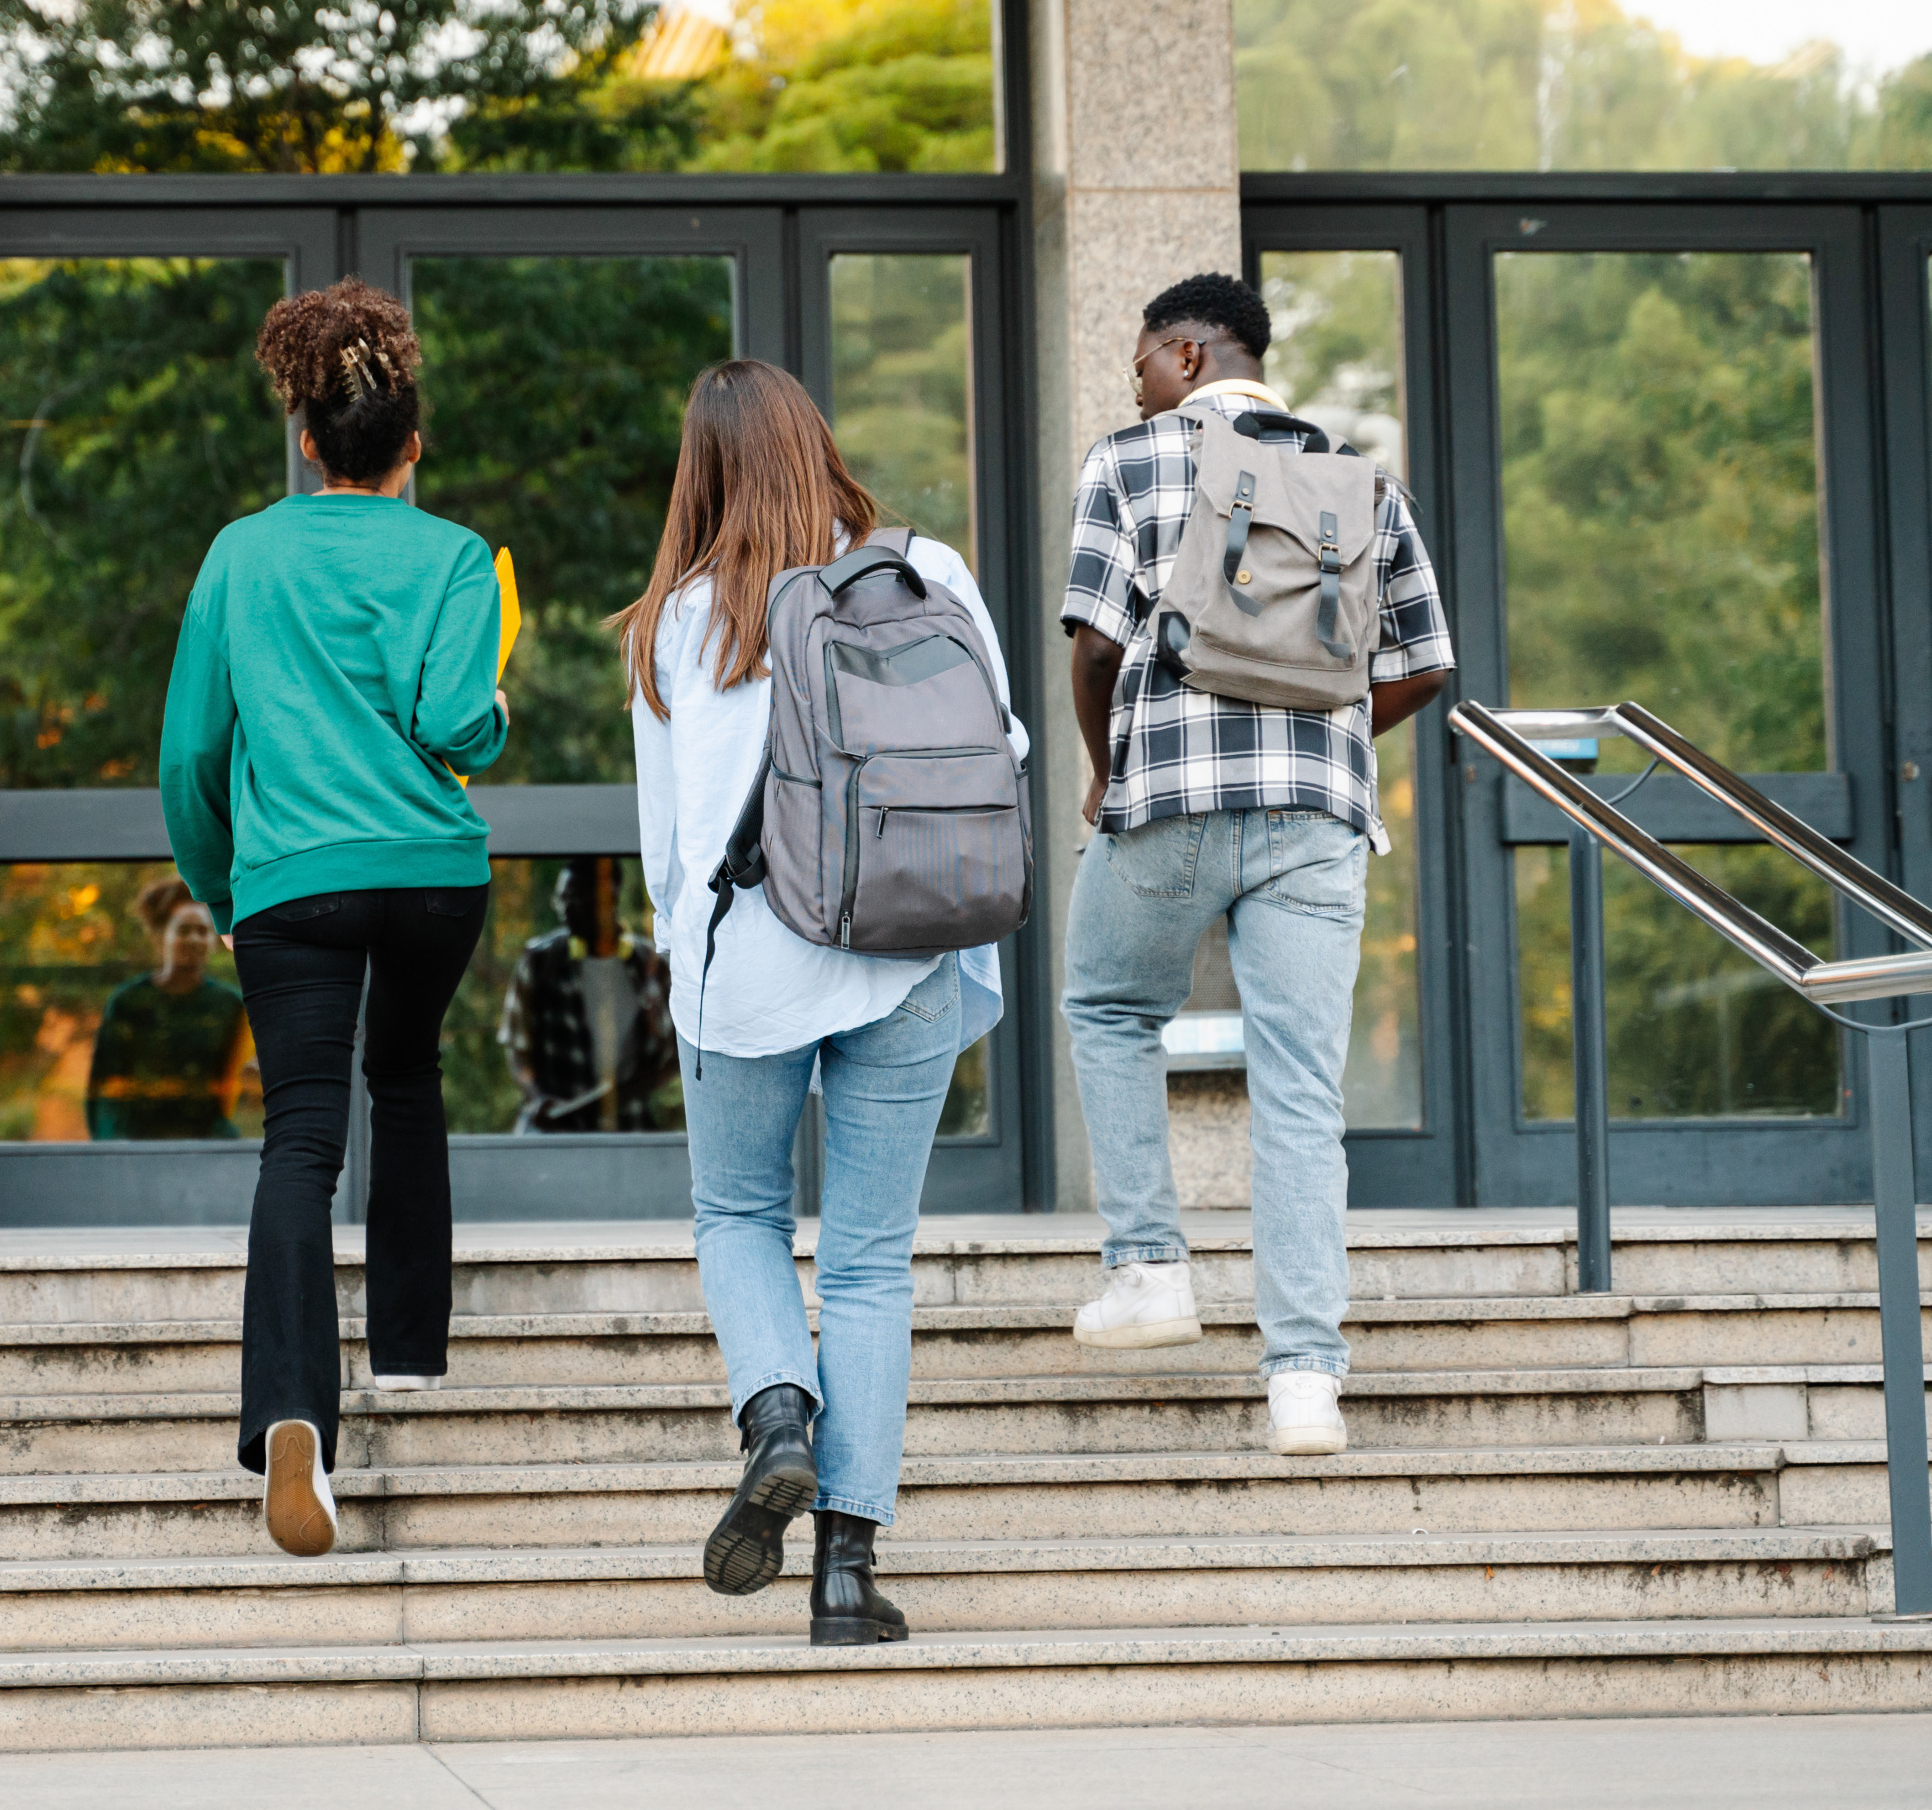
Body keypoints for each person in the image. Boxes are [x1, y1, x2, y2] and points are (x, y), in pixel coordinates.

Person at [619, 358, 1026, 1648]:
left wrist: (686, 964)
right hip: (911, 946)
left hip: (752, 961)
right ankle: (847, 1575)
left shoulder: (679, 619)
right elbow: (1001, 750)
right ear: (817, 447)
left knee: (738, 1209)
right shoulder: (932, 573)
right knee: (869, 1262)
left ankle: (778, 1418)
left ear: (705, 470)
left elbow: (669, 850)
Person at [1059, 272, 1452, 1455]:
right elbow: (1426, 660)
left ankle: (1149, 1270)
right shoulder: (1358, 477)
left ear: (1185, 353)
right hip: (1316, 819)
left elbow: (1093, 644)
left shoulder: (1129, 461)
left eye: (1139, 361)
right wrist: (1323, 742)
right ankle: (1304, 1380)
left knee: (1109, 1003)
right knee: (1300, 1088)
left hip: (1169, 793)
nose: (1134, 382)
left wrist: (1106, 765)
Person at [159, 278, 508, 1559]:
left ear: (307, 439)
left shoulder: (243, 552)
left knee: (300, 1140)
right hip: (431, 877)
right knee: (407, 1072)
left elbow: (194, 750)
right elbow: (459, 724)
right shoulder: (455, 556)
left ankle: (295, 1411)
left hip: (294, 885)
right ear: (412, 446)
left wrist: (218, 881)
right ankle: (411, 1348)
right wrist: (499, 714)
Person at [497, 858, 674, 1133]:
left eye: (574, 896)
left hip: (628, 1131)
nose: (564, 907)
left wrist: (613, 1099)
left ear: (609, 897)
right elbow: (518, 1048)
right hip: (553, 1133)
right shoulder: (541, 960)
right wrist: (539, 1100)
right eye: (560, 898)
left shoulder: (647, 964)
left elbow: (672, 1057)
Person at [86, 875, 255, 1140]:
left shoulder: (229, 1005)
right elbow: (105, 1087)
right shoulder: (128, 1001)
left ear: (213, 940)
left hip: (207, 1142)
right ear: (162, 935)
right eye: (183, 930)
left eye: (202, 931)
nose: (194, 940)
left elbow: (236, 1084)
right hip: (137, 1140)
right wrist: (112, 1149)